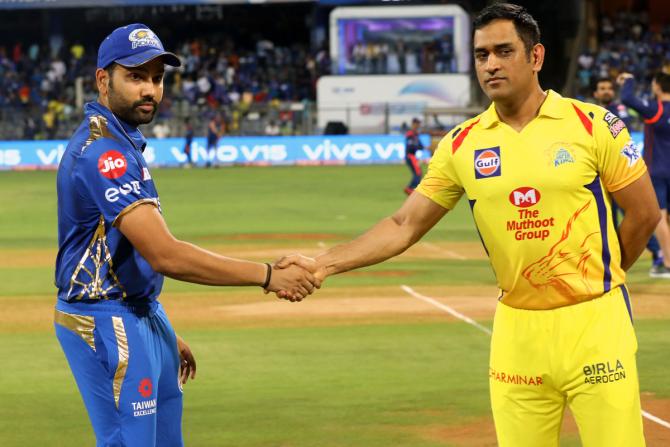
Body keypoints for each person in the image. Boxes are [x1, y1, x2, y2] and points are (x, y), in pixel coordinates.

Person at [276, 4, 660, 446]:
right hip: (517, 331)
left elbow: (645, 212)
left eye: (503, 51)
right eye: (481, 55)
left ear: (535, 57)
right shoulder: (461, 144)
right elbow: (404, 224)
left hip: (596, 323)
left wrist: (604, 276)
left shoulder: (592, 124)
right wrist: (323, 264)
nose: (491, 64)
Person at [54, 23, 317, 447]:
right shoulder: (104, 155)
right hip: (105, 319)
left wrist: (160, 330)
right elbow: (165, 255)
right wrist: (269, 275)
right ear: (103, 80)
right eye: (136, 76)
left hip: (138, 313)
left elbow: (125, 255)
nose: (150, 90)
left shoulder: (123, 142)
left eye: (157, 79)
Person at [592, 77, 664, 273]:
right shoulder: (588, 112)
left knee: (637, 214)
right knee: (606, 219)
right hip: (597, 176)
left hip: (620, 171)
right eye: (602, 88)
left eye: (608, 88)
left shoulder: (620, 110)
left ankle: (658, 253)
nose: (606, 91)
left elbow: (620, 133)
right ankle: (607, 259)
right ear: (596, 94)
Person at [618, 71, 670, 278]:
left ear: (657, 86)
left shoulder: (656, 109)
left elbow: (627, 98)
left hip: (657, 170)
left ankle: (667, 262)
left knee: (660, 217)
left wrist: (629, 80)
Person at [404, 117, 424, 195]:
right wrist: (419, 147)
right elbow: (411, 146)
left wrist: (424, 147)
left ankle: (412, 188)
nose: (419, 125)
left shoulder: (415, 134)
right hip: (410, 156)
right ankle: (410, 188)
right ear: (413, 124)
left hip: (412, 156)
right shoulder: (410, 134)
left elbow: (420, 145)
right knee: (418, 173)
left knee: (418, 173)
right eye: (417, 124)